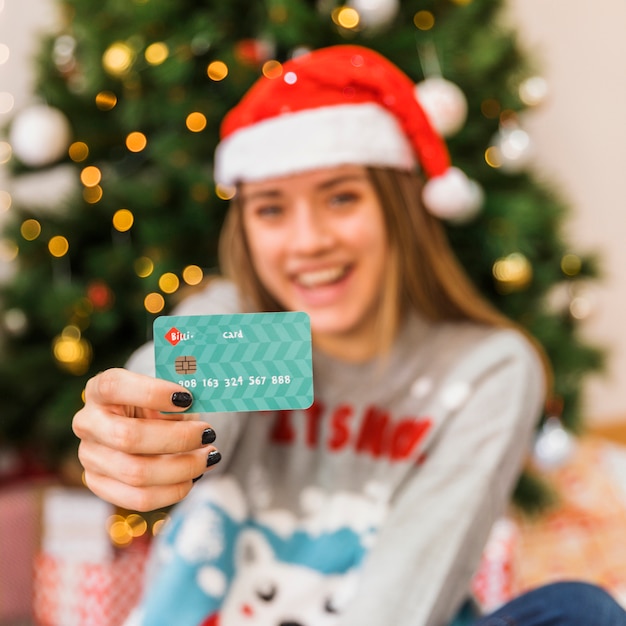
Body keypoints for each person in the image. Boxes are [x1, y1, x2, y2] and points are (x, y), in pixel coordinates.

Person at [72, 45, 626, 626]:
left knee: (580, 611)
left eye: (341, 197)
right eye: (270, 209)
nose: (308, 241)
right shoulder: (243, 321)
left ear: (399, 210)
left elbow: (408, 591)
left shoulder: (489, 367)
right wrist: (139, 426)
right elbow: (176, 383)